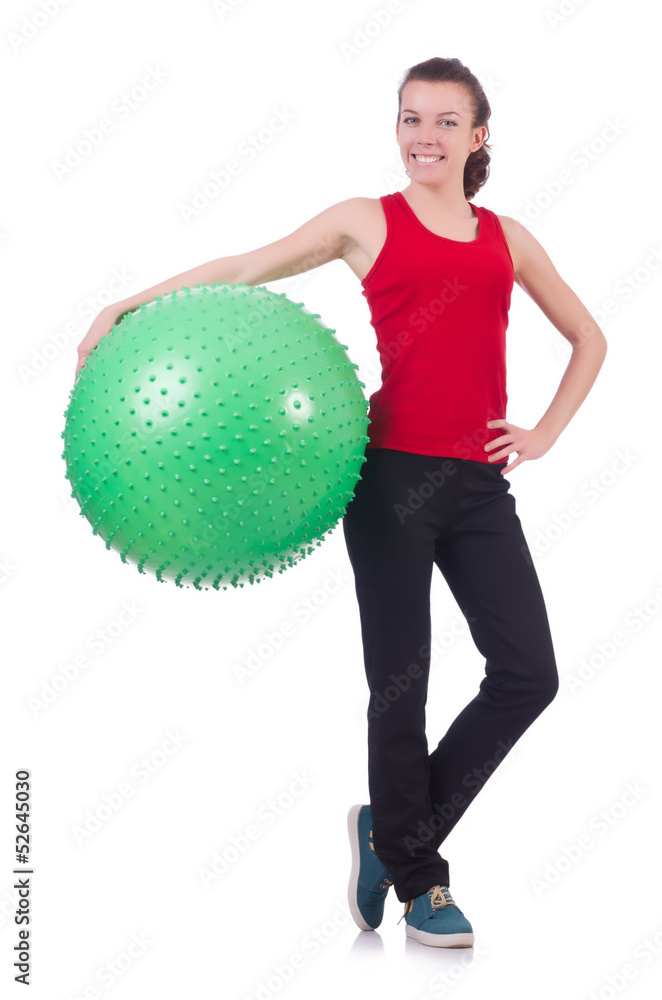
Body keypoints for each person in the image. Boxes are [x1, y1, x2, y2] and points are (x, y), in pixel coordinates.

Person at [76, 57, 608, 950]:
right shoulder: (366, 222)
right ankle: (422, 883)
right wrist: (129, 304)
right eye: (410, 119)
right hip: (390, 480)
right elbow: (247, 265)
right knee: (401, 689)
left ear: (479, 138)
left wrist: (545, 431)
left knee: (529, 674)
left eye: (445, 122)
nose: (424, 137)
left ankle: (389, 834)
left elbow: (589, 334)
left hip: (478, 486)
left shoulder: (506, 237)